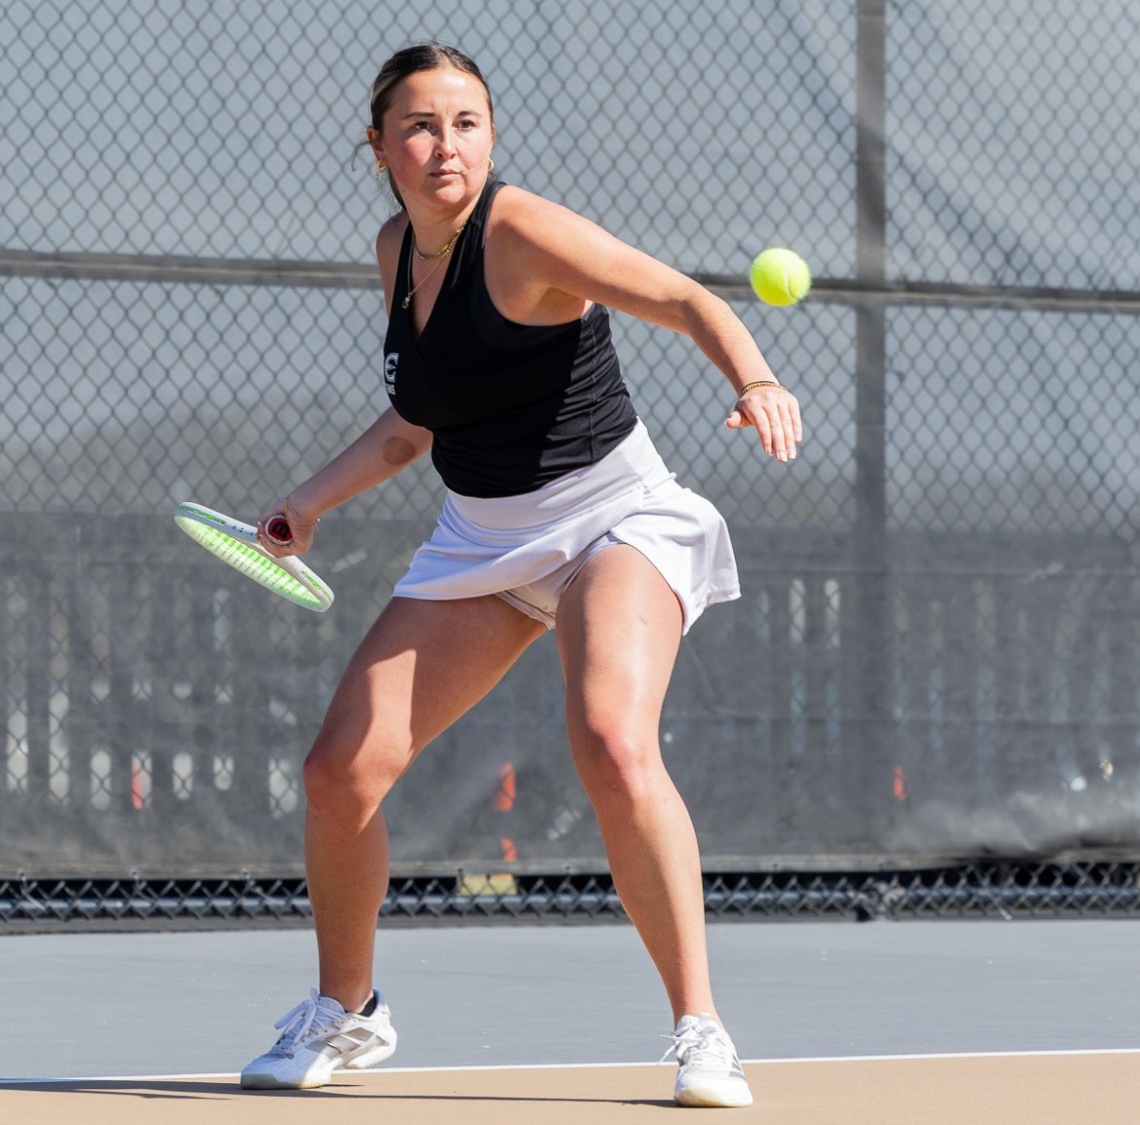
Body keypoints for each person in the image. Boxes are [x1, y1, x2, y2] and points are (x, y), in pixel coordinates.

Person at [238, 42, 802, 1110]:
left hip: (612, 517)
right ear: (378, 149)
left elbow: (681, 298)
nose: (442, 144)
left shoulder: (522, 229)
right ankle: (348, 1012)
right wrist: (306, 503)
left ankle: (701, 1031)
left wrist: (755, 376)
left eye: (464, 122)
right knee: (337, 771)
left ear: (488, 137)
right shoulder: (396, 248)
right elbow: (415, 421)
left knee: (609, 739)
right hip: (483, 542)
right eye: (417, 125)